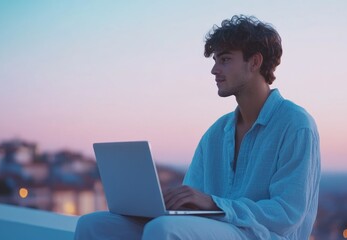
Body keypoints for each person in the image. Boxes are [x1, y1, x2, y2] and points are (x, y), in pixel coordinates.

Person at [75, 14, 321, 240]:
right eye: (215, 60)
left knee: (163, 230)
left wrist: (214, 204)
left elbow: (287, 213)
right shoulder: (216, 133)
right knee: (93, 225)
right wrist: (173, 204)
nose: (214, 70)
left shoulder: (296, 125)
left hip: (262, 235)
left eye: (225, 60)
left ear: (254, 62)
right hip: (217, 229)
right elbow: (193, 200)